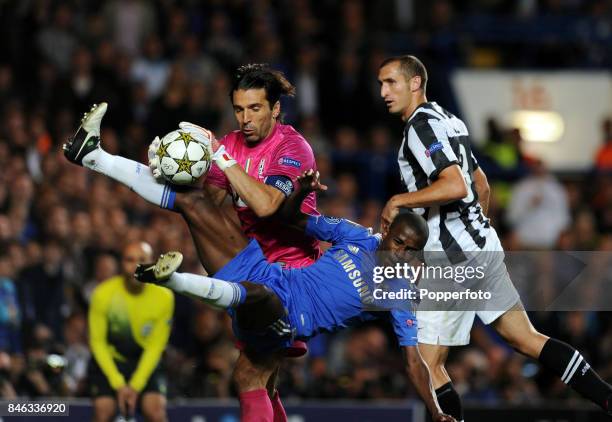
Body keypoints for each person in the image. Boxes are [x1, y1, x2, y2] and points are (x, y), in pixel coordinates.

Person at [64, 64, 318, 420]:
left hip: (291, 278)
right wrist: (168, 170)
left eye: (255, 109)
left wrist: (220, 157)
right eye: (239, 109)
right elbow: (207, 205)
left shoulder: (293, 148)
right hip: (249, 265)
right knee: (264, 377)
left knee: (250, 374)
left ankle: (93, 156)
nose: (245, 118)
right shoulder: (230, 144)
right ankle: (92, 155)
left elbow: (266, 205)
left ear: (275, 109)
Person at [377, 54, 612, 421]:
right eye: (380, 83)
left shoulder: (419, 128)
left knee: (427, 362)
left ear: (415, 83)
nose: (383, 92)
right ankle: (607, 397)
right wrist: (477, 231)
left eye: (391, 82)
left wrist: (399, 200)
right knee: (525, 338)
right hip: (482, 246)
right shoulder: (448, 120)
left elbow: (454, 185)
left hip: (452, 258)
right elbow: (480, 184)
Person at [134, 169, 455, 422]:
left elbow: (413, 361)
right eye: (399, 243)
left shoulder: (400, 292)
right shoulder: (355, 235)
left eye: (410, 251)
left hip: (292, 318)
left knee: (249, 361)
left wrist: (436, 409)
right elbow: (291, 219)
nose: (401, 254)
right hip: (277, 278)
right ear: (387, 232)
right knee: (196, 204)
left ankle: (173, 280)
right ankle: (95, 157)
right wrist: (300, 192)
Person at [88, 241, 173, 422]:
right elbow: (98, 343)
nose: (136, 266)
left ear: (152, 263)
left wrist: (135, 386)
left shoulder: (164, 297)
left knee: (156, 412)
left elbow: (155, 347)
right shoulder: (103, 294)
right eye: (129, 260)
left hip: (144, 363)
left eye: (142, 259)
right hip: (111, 362)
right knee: (103, 411)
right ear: (121, 264)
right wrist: (118, 384)